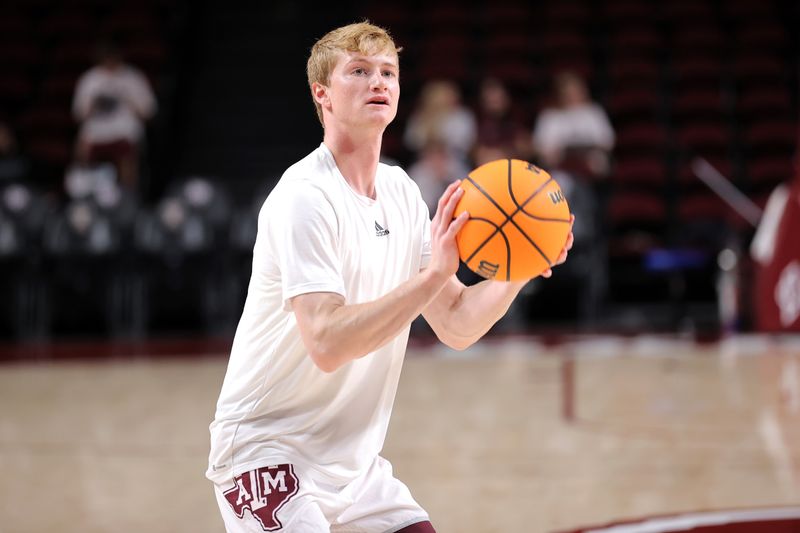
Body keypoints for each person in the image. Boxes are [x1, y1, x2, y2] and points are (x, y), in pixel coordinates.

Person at [206, 22, 573, 533]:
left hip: (355, 469)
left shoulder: (401, 192)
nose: (377, 82)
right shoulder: (304, 197)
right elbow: (328, 342)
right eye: (358, 71)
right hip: (267, 456)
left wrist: (521, 267)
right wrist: (432, 276)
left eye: (387, 72)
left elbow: (456, 324)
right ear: (322, 94)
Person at [72, 39, 156, 193]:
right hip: (96, 133)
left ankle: (128, 196)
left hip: (123, 132)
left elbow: (148, 113)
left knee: (127, 151)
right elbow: (79, 115)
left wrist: (127, 98)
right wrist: (94, 104)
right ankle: (83, 194)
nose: (110, 64)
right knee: (82, 145)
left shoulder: (133, 77)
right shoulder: (90, 79)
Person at [531, 70, 614, 178]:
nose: (571, 96)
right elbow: (540, 145)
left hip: (590, 165)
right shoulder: (549, 116)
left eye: (575, 91)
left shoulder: (594, 112)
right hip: (560, 167)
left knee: (598, 161)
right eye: (567, 92)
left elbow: (607, 141)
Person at [403, 79, 476, 166]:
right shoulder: (420, 116)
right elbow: (410, 142)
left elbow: (465, 143)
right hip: (425, 162)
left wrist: (440, 141)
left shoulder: (462, 115)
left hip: (455, 161)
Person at [473, 77, 531, 166]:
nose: (494, 103)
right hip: (485, 171)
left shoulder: (518, 119)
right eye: (490, 100)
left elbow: (526, 149)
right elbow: (475, 151)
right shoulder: (478, 121)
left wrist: (503, 154)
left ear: (506, 99)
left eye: (497, 99)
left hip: (514, 169)